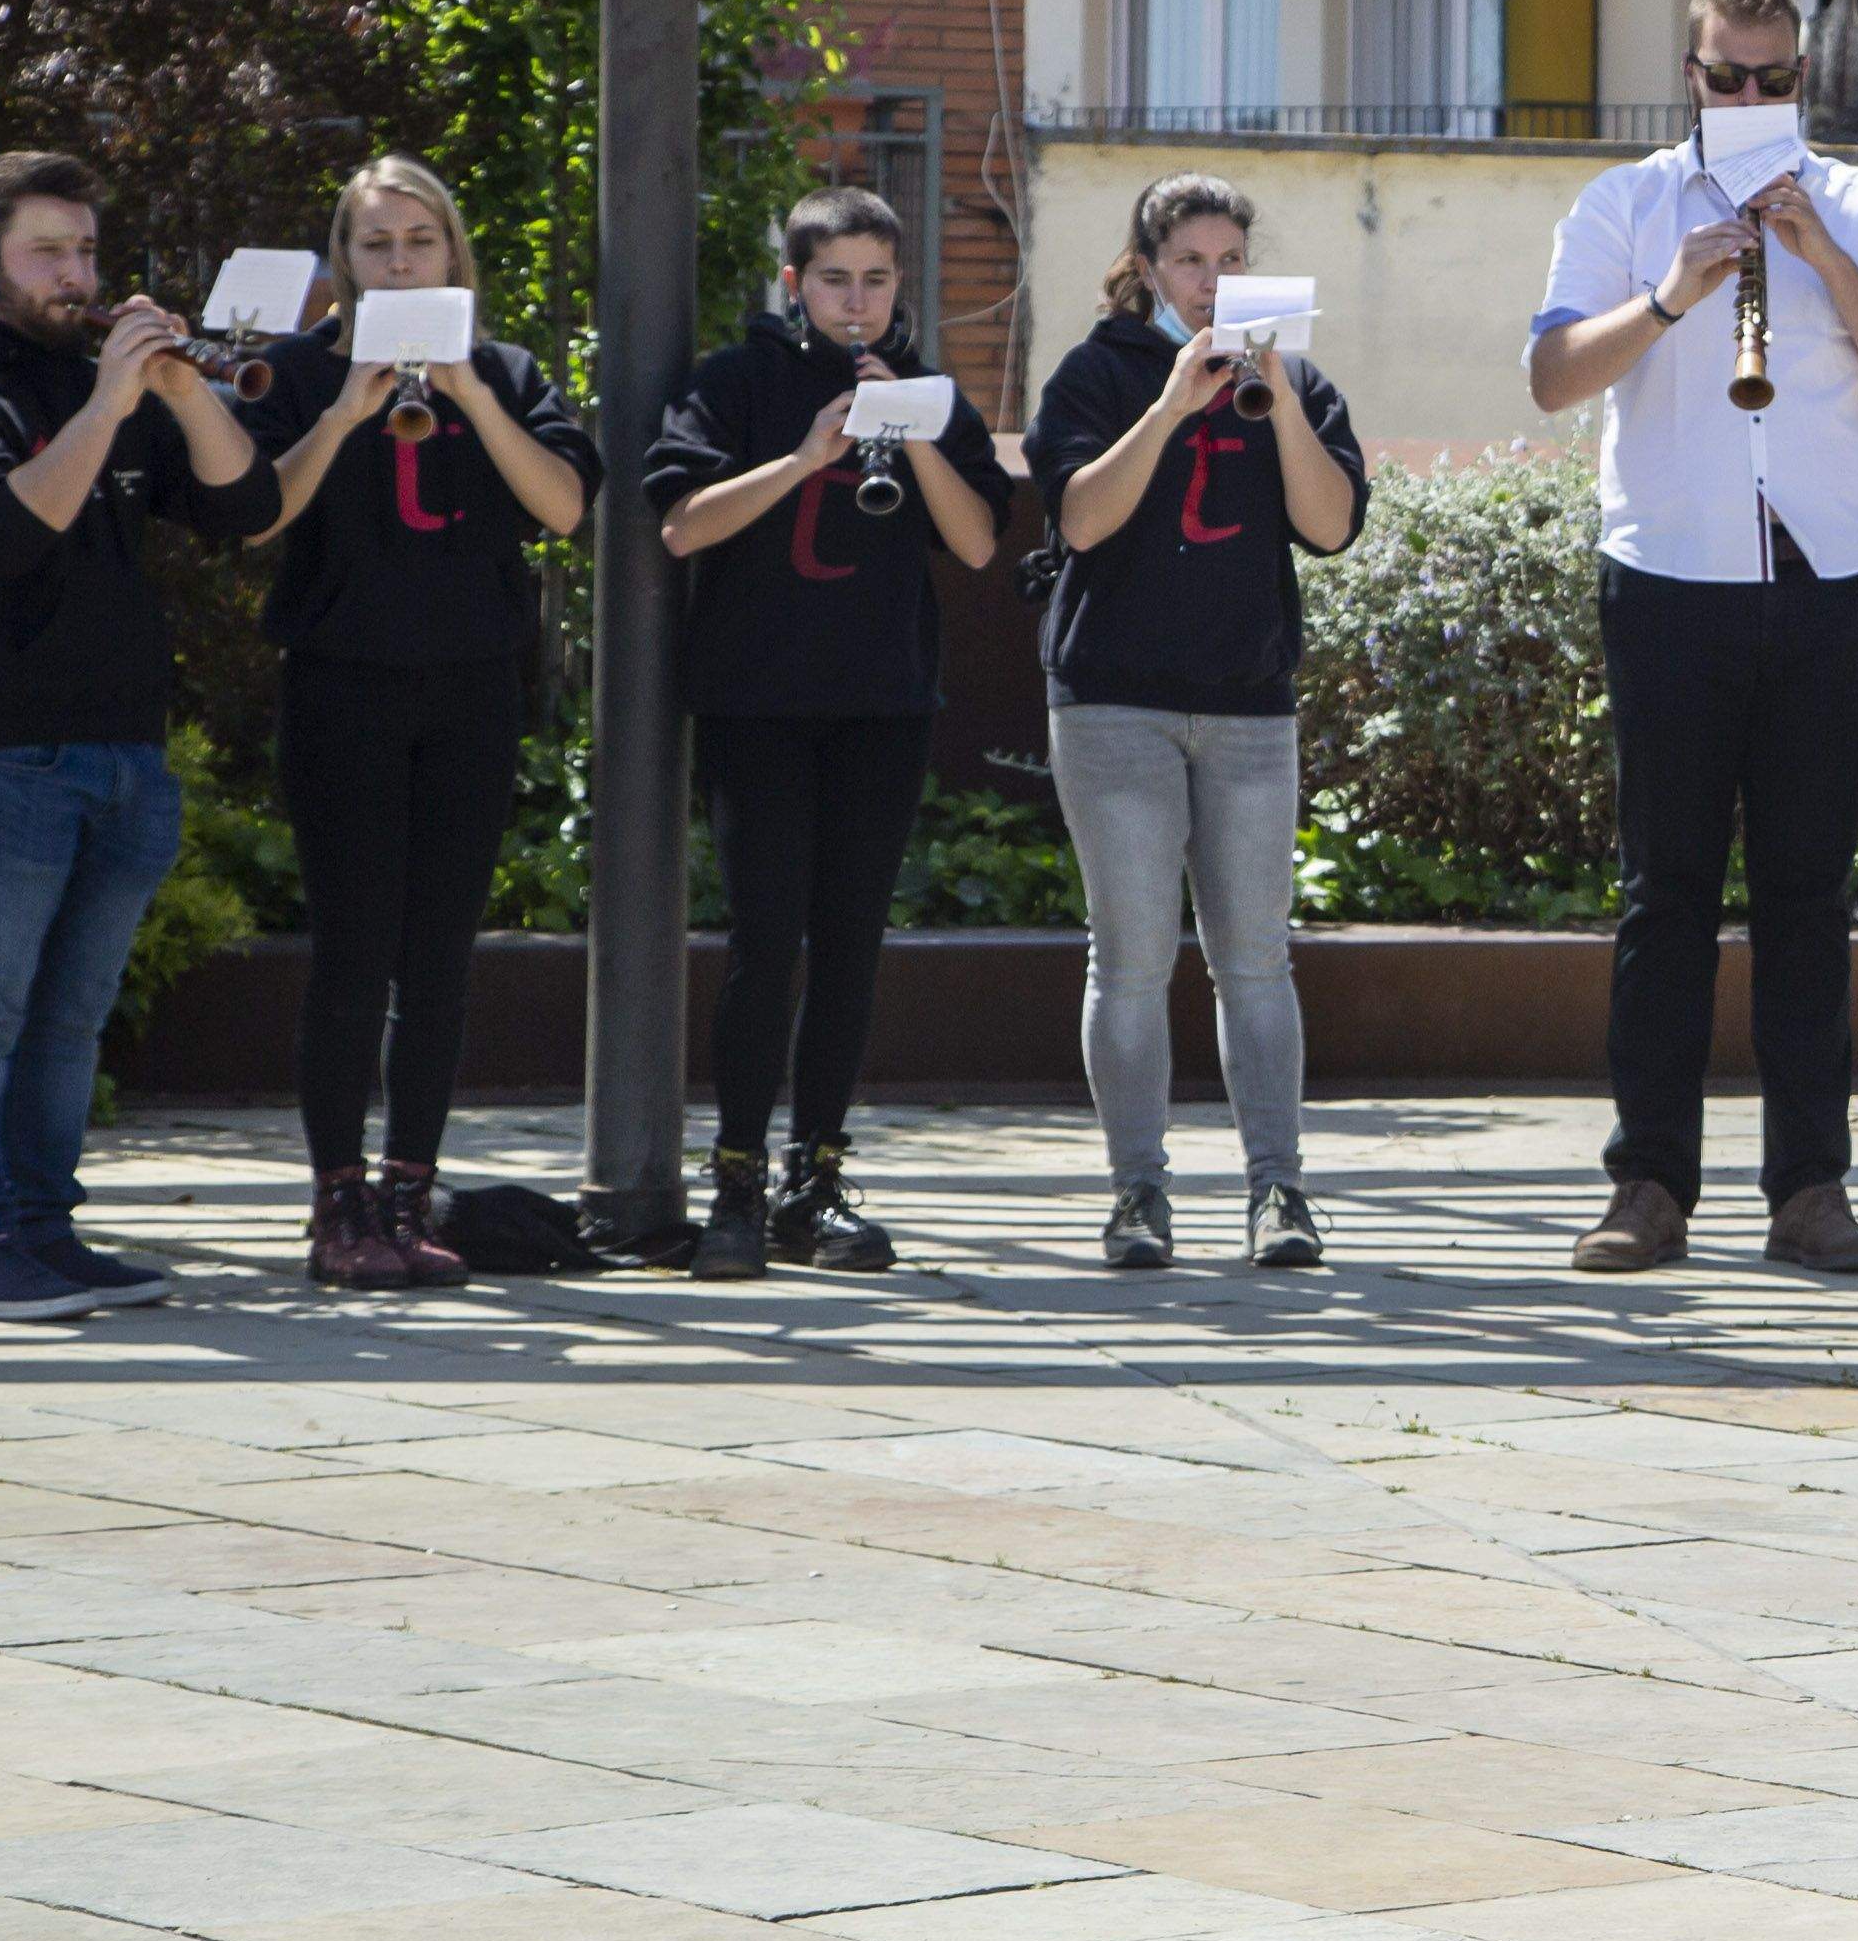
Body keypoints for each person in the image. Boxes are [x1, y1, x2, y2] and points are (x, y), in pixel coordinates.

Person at [1528, 0, 1858, 1278]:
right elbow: (1551, 375)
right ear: (1691, 71)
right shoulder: (1623, 202)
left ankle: (1809, 1190)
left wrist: (1818, 250)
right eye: (1727, 77)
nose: (1749, 96)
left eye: (1771, 80)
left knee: (1807, 897)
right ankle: (1647, 1184)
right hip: (1669, 576)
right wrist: (1670, 295)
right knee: (1664, 894)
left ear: (1801, 76)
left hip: (1826, 577)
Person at [637, 186, 1006, 1283]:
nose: (858, 302)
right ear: (795, 284)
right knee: (766, 944)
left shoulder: (929, 394)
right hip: (757, 704)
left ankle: (817, 1178)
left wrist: (912, 433)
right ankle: (737, 1181)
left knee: (850, 947)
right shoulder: (734, 381)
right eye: (836, 280)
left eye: (877, 280)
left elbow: (978, 545)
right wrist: (806, 454)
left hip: (881, 705)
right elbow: (681, 524)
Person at [243, 157, 598, 1291]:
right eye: (377, 244)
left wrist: (474, 396)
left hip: (469, 688)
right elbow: (252, 517)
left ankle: (409, 1192)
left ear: (453, 252)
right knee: (353, 951)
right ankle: (338, 1200)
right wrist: (345, 409)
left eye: (420, 240)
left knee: (441, 956)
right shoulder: (301, 370)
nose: (400, 262)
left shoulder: (506, 369)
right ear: (344, 261)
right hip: (342, 684)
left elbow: (563, 507)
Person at [0, 152, 267, 1323]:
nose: (76, 275)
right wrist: (109, 402)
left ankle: (40, 1227)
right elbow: (2, 532)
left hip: (124, 748)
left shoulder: (107, 381)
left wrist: (182, 388)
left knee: (70, 1018)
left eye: (85, 250)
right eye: (47, 252)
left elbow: (245, 506)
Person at [1030, 172, 1364, 1276]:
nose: (1212, 282)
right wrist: (1173, 402)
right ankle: (1138, 1191)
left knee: (1256, 959)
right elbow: (1081, 520)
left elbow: (1330, 527)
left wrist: (1277, 391)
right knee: (1130, 958)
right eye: (1189, 261)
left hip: (1247, 703)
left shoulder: (1297, 379)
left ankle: (1279, 1189)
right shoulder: (1098, 371)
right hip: (1114, 701)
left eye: (1231, 261)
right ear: (1148, 269)